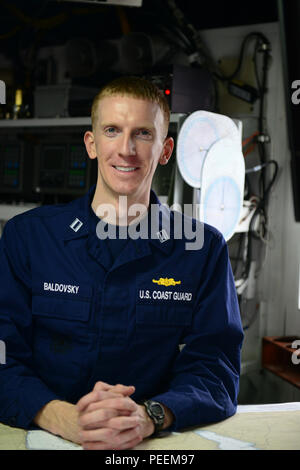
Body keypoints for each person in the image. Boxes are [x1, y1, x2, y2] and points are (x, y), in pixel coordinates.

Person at [0, 76, 244, 450]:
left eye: (143, 133)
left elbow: (216, 368)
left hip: (146, 445)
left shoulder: (202, 250)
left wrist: (151, 415)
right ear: (92, 144)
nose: (126, 149)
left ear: (165, 150)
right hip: (42, 436)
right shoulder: (28, 239)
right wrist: (61, 416)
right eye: (112, 130)